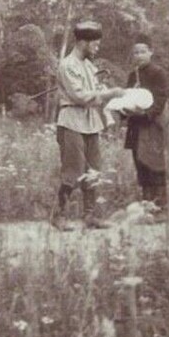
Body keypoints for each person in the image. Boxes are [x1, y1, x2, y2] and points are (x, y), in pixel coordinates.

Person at [53, 20, 124, 231]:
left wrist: (115, 98)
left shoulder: (89, 65)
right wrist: (109, 93)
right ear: (84, 42)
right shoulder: (67, 65)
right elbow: (80, 96)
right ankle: (58, 216)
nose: (97, 47)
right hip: (72, 121)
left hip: (91, 122)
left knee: (94, 171)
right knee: (73, 172)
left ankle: (90, 216)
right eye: (95, 44)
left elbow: (97, 94)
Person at [123, 36, 169, 221]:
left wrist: (146, 114)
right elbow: (126, 97)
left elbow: (161, 99)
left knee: (155, 165)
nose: (139, 55)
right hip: (135, 127)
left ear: (151, 52)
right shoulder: (132, 75)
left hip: (152, 127)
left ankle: (161, 209)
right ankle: (147, 209)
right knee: (141, 165)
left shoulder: (158, 73)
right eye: (135, 52)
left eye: (143, 51)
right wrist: (123, 110)